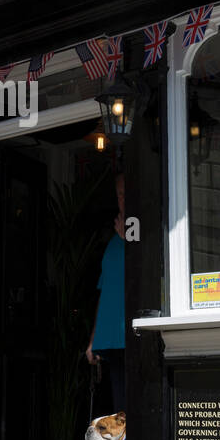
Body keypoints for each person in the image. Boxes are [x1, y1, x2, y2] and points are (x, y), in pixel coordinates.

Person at [87, 173, 127, 413]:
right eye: (120, 195)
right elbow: (104, 293)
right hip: (111, 344)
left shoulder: (150, 233)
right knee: (119, 411)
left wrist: (130, 240)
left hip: (134, 340)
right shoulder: (112, 244)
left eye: (127, 194)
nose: (124, 200)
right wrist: (93, 340)